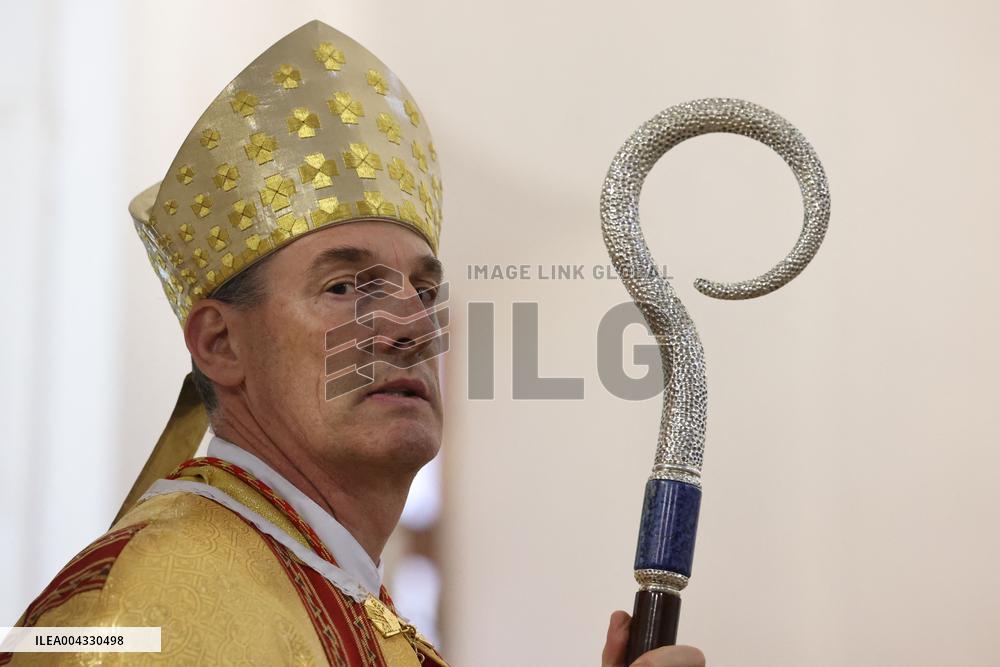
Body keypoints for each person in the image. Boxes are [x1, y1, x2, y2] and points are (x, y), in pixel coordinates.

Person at [1, 20, 705, 666]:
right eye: (345, 287)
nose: (413, 327)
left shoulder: (374, 618)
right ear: (220, 343)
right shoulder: (121, 615)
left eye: (426, 291)